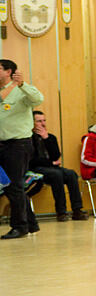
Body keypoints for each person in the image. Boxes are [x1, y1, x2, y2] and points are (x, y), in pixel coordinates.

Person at [0, 60, 44, 239]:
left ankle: (20, 226)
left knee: (15, 185)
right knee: (9, 186)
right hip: (3, 144)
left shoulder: (21, 89)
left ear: (8, 71)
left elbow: (38, 99)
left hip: (18, 144)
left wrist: (23, 84)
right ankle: (31, 223)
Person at [29, 110, 88, 221]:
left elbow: (56, 155)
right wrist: (50, 163)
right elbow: (32, 161)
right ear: (32, 123)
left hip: (52, 168)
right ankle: (61, 212)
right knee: (56, 174)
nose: (43, 124)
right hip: (36, 169)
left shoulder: (50, 137)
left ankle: (77, 210)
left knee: (71, 174)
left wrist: (46, 139)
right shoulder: (28, 138)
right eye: (39, 121)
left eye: (44, 120)